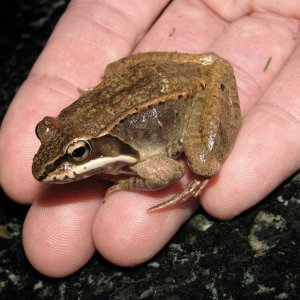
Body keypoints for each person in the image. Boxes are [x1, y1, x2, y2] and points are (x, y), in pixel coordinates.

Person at [0, 0, 299, 278]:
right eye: (46, 130)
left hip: (191, 96)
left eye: (77, 153)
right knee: (113, 70)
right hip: (159, 81)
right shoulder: (73, 128)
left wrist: (127, 182)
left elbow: (171, 171)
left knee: (204, 163)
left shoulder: (132, 157)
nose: (61, 165)